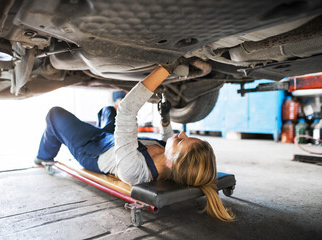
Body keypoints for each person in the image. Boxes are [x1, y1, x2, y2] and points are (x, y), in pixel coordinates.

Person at [35, 65, 235, 222]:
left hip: (93, 149)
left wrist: (163, 70)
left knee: (55, 114)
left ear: (173, 162)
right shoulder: (169, 158)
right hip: (115, 141)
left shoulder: (134, 170)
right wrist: (165, 119)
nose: (181, 133)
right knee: (108, 111)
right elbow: (168, 140)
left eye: (181, 140)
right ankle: (87, 127)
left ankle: (43, 155)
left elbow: (127, 110)